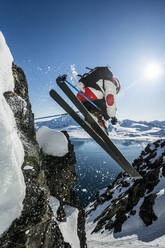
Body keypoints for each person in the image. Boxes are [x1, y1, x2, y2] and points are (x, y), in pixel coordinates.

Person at [76, 66, 120, 131]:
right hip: (93, 96)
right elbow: (110, 98)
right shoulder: (111, 82)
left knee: (96, 109)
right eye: (116, 91)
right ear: (117, 85)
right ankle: (101, 123)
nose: (115, 92)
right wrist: (112, 115)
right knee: (108, 110)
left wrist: (113, 117)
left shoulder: (98, 79)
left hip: (82, 97)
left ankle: (92, 118)